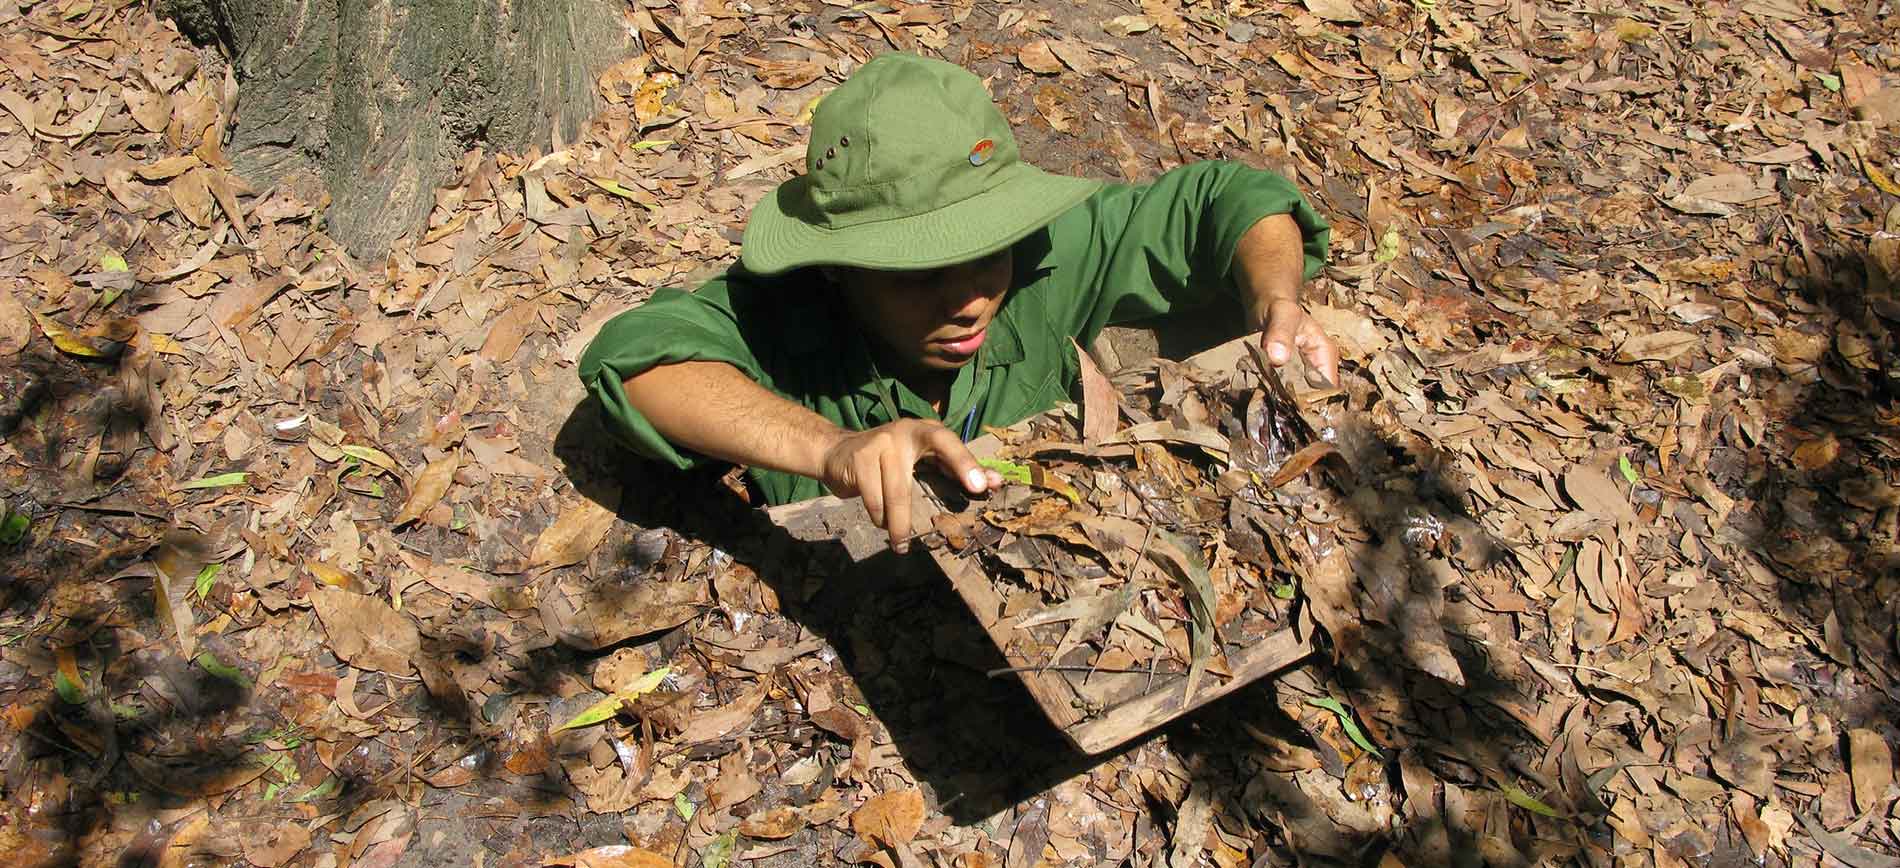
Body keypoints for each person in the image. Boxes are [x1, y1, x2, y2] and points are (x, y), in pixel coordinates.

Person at [579, 52, 1338, 553]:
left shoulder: (1048, 250)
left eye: (986, 254)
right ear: (840, 268)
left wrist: (1279, 300)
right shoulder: (786, 315)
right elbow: (636, 359)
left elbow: (1231, 200)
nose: (970, 300)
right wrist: (830, 448)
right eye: (918, 275)